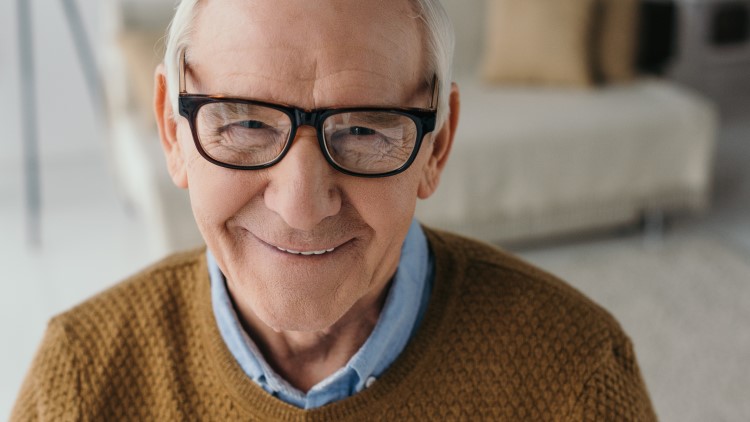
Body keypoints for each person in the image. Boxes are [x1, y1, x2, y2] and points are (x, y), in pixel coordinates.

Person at [11, 0, 657, 420]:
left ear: (437, 145)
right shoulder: (80, 381)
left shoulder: (578, 376)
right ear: (172, 131)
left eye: (365, 131)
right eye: (242, 124)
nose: (300, 207)